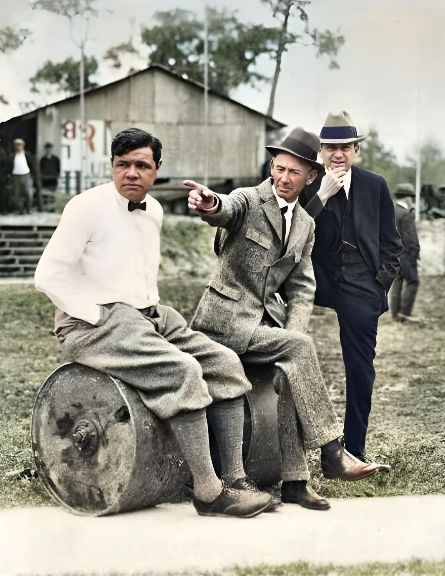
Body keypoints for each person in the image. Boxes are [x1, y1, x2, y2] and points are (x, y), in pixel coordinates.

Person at [34, 127, 273, 519]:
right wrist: (96, 314)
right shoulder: (86, 206)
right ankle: (210, 493)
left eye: (141, 165)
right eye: (122, 164)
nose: (131, 173)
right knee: (183, 371)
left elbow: (138, 274)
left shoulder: (155, 211)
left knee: (225, 363)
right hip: (94, 320)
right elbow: (48, 275)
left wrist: (152, 316)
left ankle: (235, 479)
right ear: (111, 166)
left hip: (147, 313)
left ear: (156, 170)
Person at [185, 127, 379, 513]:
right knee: (299, 348)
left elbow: (302, 289)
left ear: (312, 177)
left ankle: (294, 482)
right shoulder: (250, 200)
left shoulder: (306, 224)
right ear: (271, 166)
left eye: (294, 173)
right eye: (279, 168)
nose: (284, 179)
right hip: (221, 325)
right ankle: (331, 450)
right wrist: (209, 204)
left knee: (294, 362)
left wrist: (293, 333)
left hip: (260, 328)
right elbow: (225, 208)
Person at [298, 111, 402, 466]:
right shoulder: (308, 184)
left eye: (345, 147)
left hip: (361, 284)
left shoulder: (375, 185)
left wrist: (379, 287)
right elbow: (295, 232)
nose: (337, 154)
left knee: (360, 369)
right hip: (315, 281)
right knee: (289, 354)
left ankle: (354, 450)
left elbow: (392, 243)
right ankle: (289, 450)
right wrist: (322, 195)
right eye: (330, 147)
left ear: (356, 150)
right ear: (321, 151)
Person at [390, 183, 421, 322]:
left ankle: (395, 314)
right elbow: (411, 239)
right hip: (407, 254)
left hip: (394, 254)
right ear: (408, 197)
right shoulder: (407, 214)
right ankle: (405, 313)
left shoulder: (391, 211)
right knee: (413, 282)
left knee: (397, 282)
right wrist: (415, 254)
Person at [9, 138, 41, 213]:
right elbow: (9, 166)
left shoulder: (27, 155)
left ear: (23, 146)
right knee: (17, 195)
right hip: (15, 176)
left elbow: (32, 165)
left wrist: (33, 175)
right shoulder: (12, 156)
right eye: (16, 145)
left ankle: (28, 209)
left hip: (26, 175)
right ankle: (21, 210)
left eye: (20, 145)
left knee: (29, 193)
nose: (18, 146)